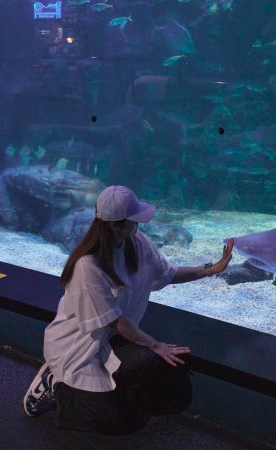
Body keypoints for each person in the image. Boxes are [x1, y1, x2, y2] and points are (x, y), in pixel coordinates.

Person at [23, 184, 234, 434]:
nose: (139, 224)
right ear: (116, 225)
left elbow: (168, 273)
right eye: (134, 220)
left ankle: (107, 391)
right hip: (77, 348)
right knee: (114, 423)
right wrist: (156, 345)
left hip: (111, 341)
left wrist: (211, 269)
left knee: (156, 367)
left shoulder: (137, 242)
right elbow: (116, 322)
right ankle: (55, 382)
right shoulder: (88, 266)